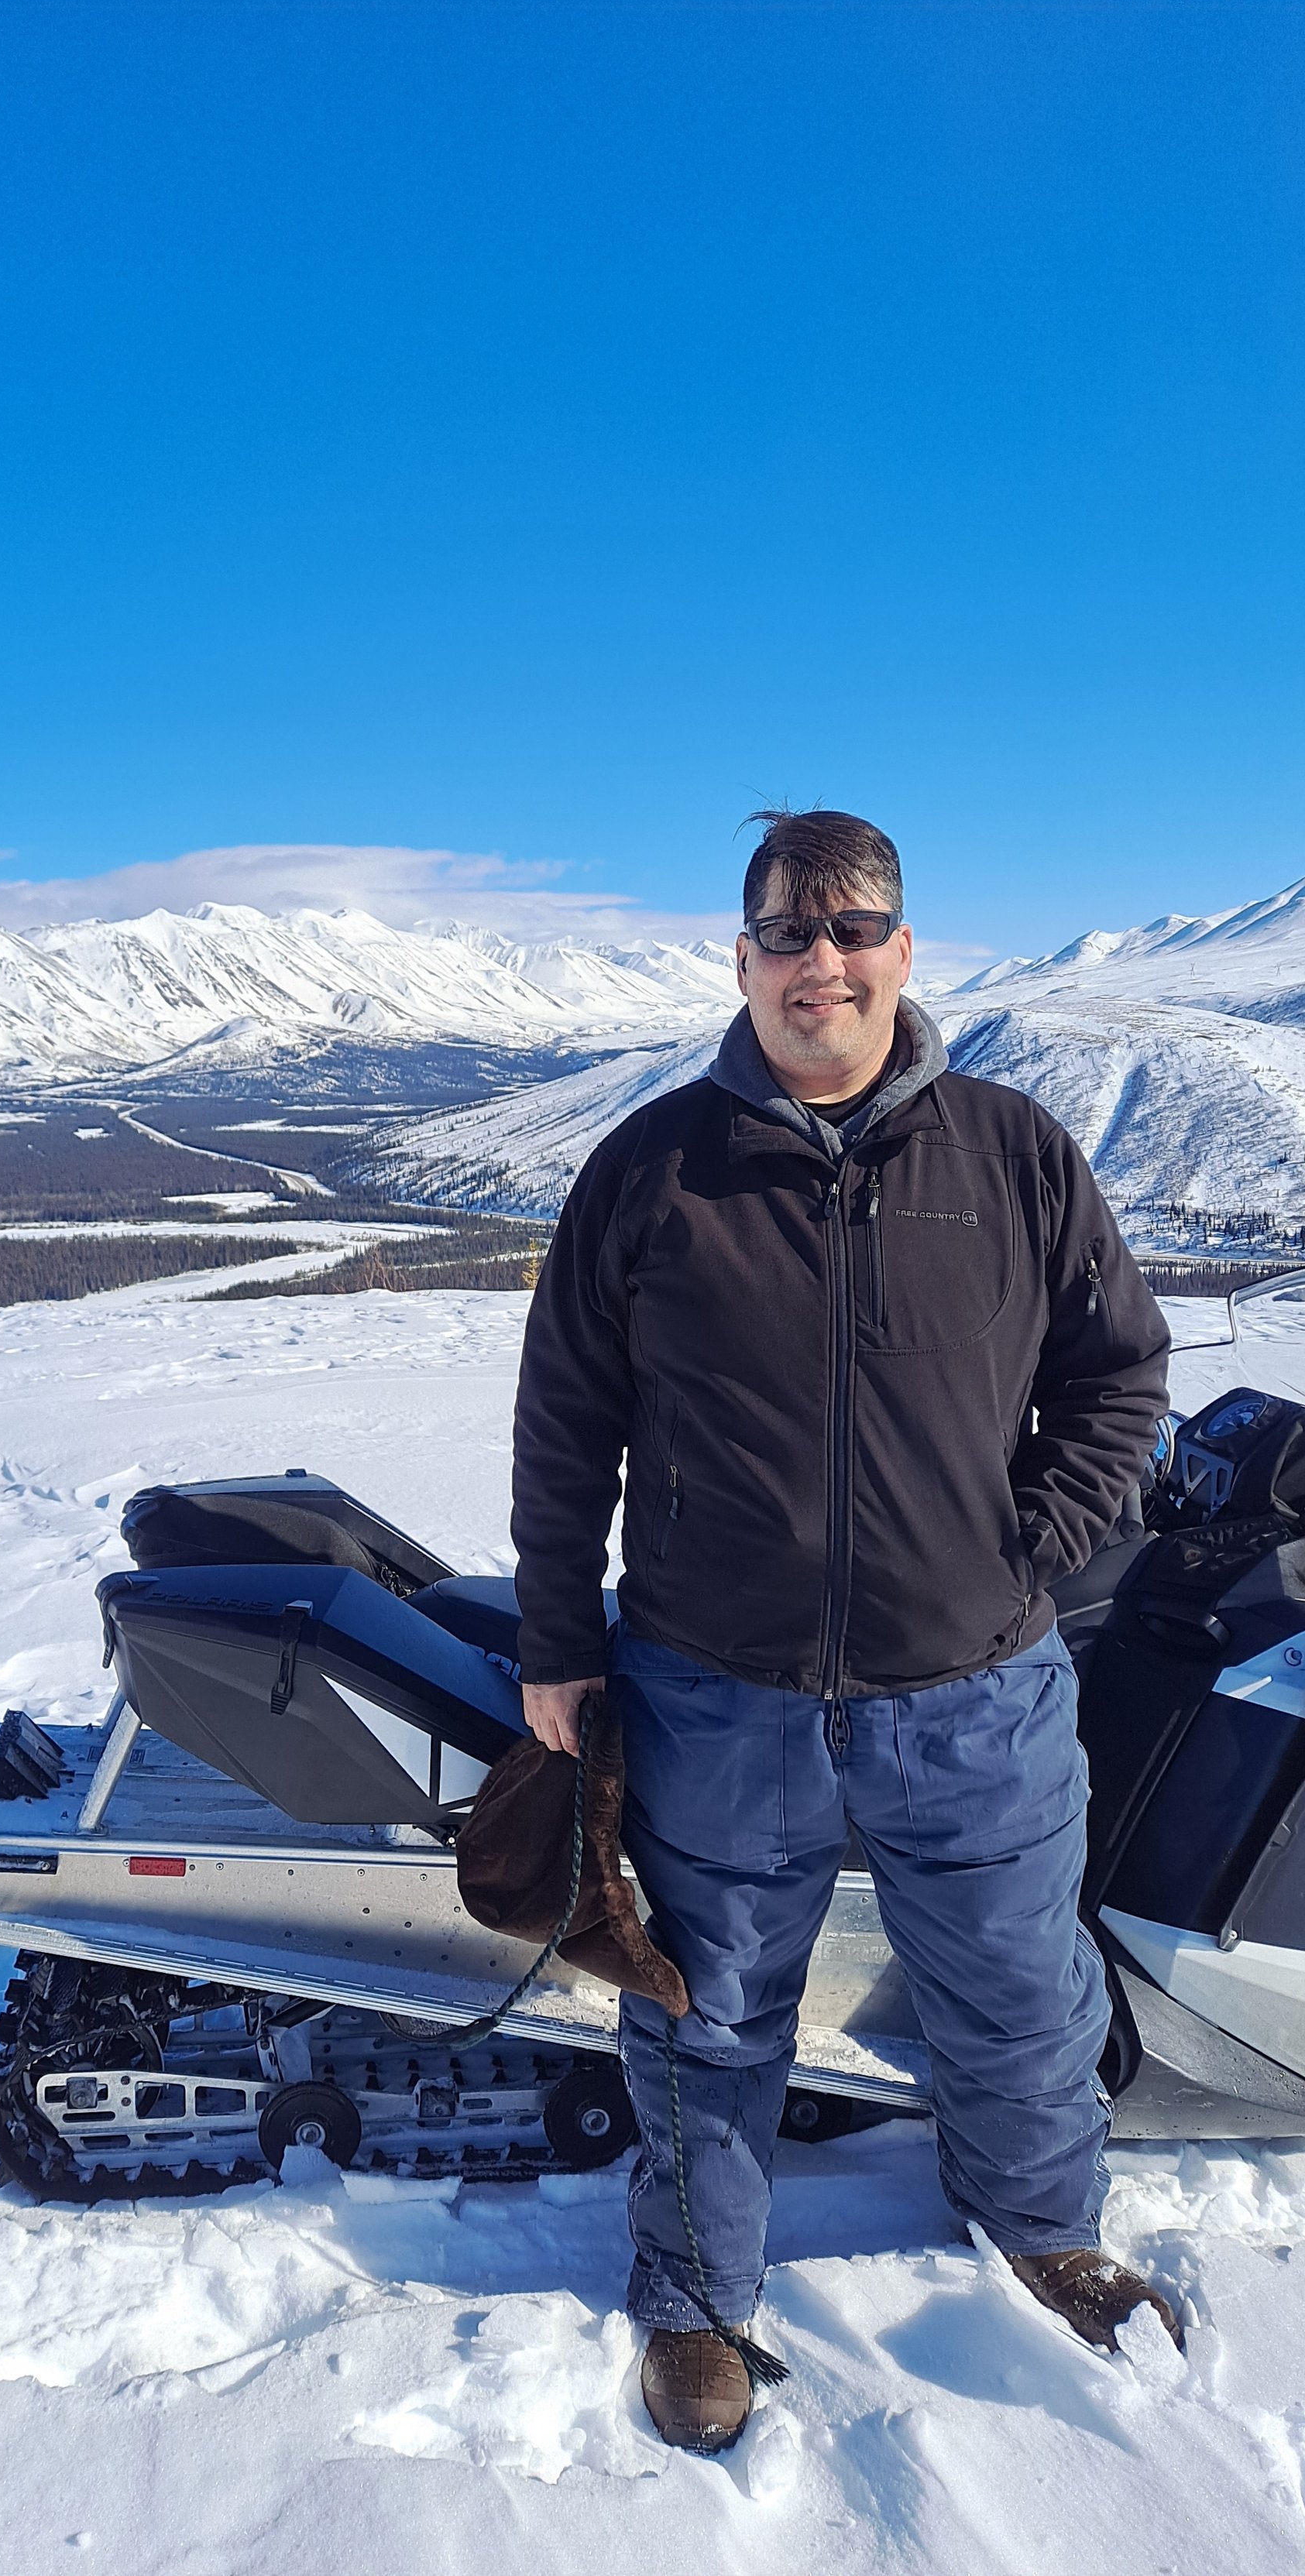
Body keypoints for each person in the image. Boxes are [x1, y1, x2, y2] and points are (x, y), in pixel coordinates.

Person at [510, 807, 1181, 2455]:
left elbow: (1118, 1371)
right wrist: (557, 1635)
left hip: (975, 1689)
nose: (822, 959)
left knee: (1019, 1990)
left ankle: (1043, 2231)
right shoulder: (652, 1167)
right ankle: (694, 2298)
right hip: (714, 1689)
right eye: (786, 932)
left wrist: (1024, 1545)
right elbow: (565, 1418)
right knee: (706, 2009)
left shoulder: (1011, 1153)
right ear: (740, 960)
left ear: (902, 948)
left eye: (853, 926)